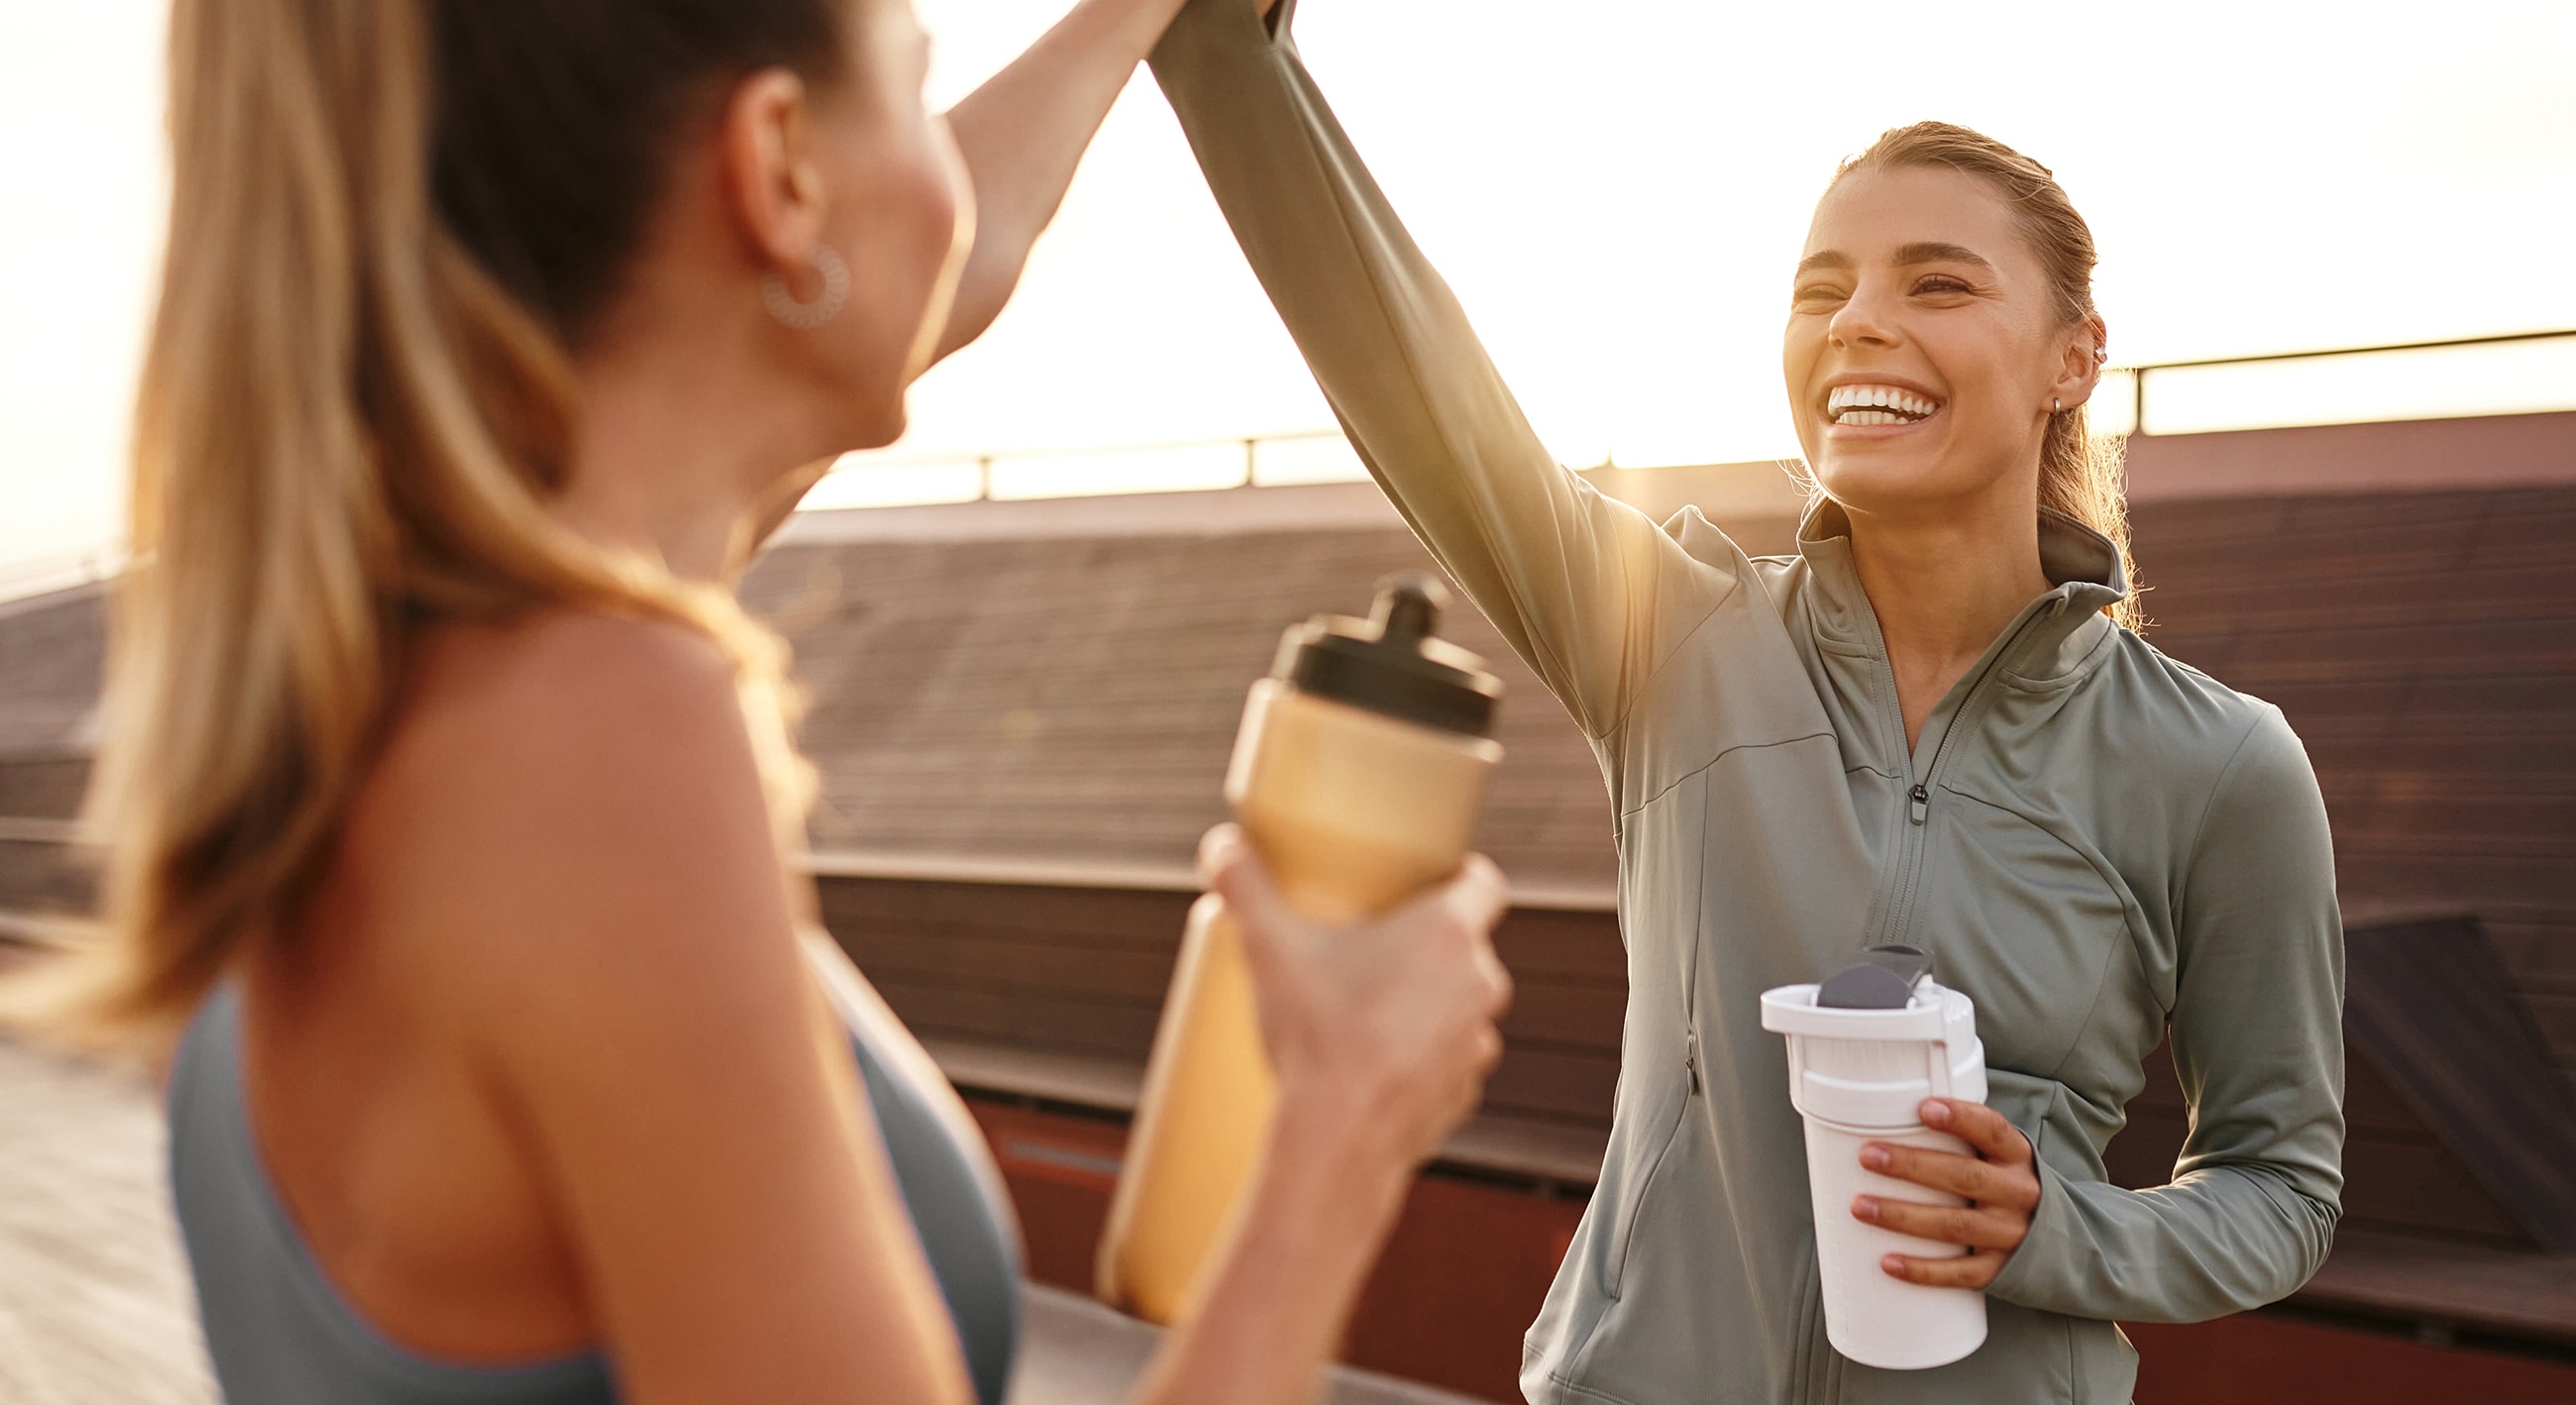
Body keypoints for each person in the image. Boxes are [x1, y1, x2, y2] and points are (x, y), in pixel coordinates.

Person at [11, 2, 1516, 1403]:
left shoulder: (366, 668)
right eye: (917, 82)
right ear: (780, 168)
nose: (943, 171)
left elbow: (947, 246)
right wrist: (1341, 1128)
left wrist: (1129, 15)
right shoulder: (600, 736)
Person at [1148, 2, 2346, 1401]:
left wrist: (2056, 1228)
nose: (1861, 326)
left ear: (2073, 358)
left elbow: (2282, 1182)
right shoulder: (1674, 638)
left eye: (1939, 285)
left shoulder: (2220, 765)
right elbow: (1421, 391)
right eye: (1822, 287)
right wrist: (1223, 57)